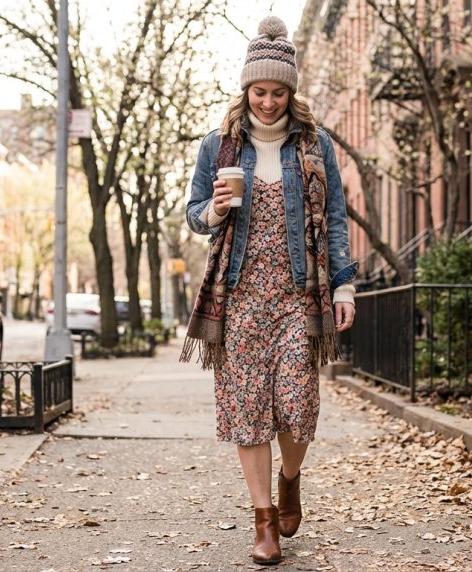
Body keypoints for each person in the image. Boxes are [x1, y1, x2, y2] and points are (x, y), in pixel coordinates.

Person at [181, 15, 357, 566]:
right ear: (246, 89)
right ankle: (264, 522)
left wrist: (344, 288)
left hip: (297, 296)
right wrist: (214, 209)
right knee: (246, 409)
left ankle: (290, 477)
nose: (267, 101)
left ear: (290, 93)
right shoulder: (219, 147)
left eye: (278, 92)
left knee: (298, 407)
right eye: (259, 91)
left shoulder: (315, 146)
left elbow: (333, 219)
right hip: (238, 299)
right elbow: (192, 215)